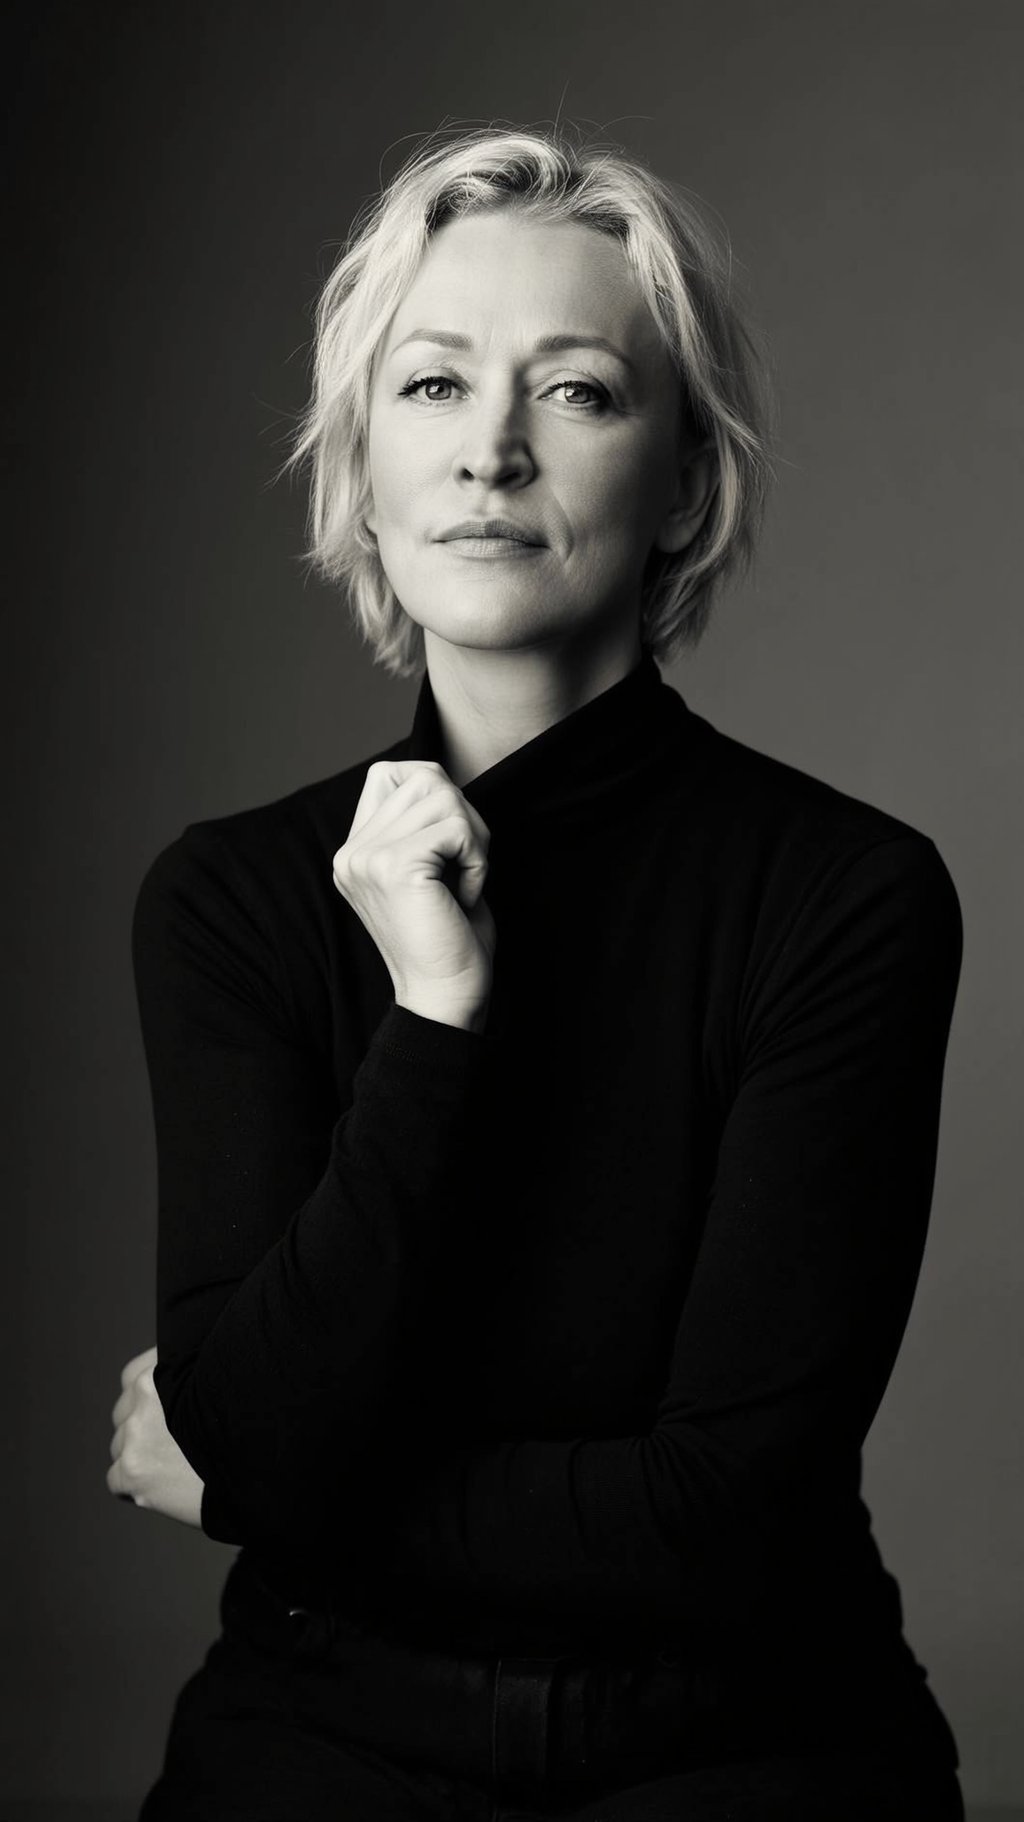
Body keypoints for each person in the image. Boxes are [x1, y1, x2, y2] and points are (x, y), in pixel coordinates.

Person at [107, 123, 967, 1820]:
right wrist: (436, 1015)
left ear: (686, 484)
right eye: (433, 385)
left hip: (745, 1753)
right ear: (363, 471)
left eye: (576, 391)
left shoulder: (844, 896)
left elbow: (720, 1515)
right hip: (319, 1744)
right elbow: (256, 1419)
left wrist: (253, 1491)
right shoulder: (232, 899)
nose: (491, 451)